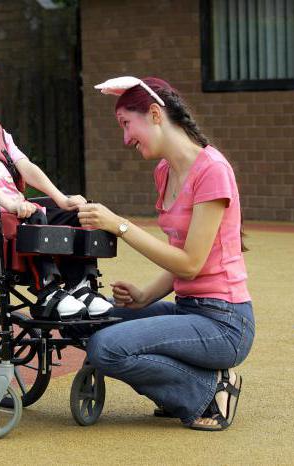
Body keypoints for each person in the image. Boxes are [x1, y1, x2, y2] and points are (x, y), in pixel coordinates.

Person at [77, 76, 255, 431]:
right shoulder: (165, 171)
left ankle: (207, 390)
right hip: (191, 311)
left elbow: (190, 264)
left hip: (224, 322)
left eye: (127, 124)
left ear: (155, 115)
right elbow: (181, 258)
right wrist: (145, 296)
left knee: (105, 348)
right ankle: (183, 386)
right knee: (85, 322)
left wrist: (120, 226)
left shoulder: (212, 170)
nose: (125, 138)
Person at [0, 50, 113, 321]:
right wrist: (9, 202)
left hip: (13, 211)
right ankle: (47, 291)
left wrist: (61, 198)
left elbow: (26, 166)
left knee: (76, 213)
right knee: (31, 214)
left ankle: (81, 286)